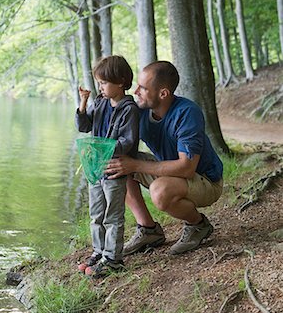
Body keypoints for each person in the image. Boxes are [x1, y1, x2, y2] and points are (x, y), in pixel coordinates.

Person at [105, 61, 223, 256]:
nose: (136, 91)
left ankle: (198, 225)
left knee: (159, 191)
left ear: (163, 93)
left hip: (206, 181)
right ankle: (148, 230)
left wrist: (135, 165)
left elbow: (187, 168)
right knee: (117, 163)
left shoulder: (187, 113)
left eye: (143, 88)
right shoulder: (141, 112)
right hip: (171, 172)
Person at [75, 55, 139, 277]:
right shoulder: (100, 103)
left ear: (120, 82)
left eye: (103, 83)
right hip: (96, 169)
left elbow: (127, 142)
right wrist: (83, 102)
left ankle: (113, 258)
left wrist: (102, 148)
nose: (100, 87)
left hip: (113, 170)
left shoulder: (129, 109)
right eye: (99, 83)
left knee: (113, 215)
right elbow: (84, 127)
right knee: (96, 214)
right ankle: (99, 251)